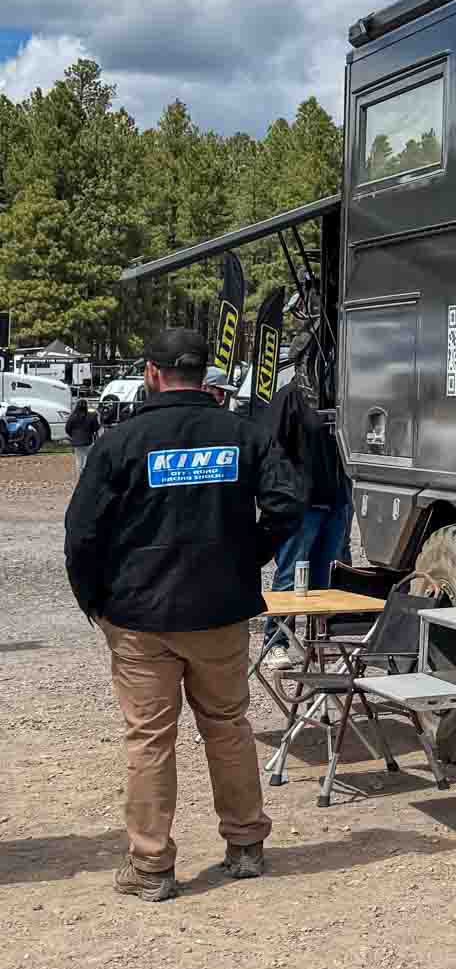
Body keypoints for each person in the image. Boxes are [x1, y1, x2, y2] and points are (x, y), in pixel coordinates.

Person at [63, 327, 302, 901]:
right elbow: (288, 504)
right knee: (228, 727)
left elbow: (81, 534)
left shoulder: (121, 442)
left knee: (149, 740)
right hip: (219, 610)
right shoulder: (241, 434)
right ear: (203, 375)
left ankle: (151, 868)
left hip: (140, 614)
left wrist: (94, 602)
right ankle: (245, 846)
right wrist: (247, 555)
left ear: (151, 372)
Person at [261, 354, 352, 668]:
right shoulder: (289, 397)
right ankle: (276, 642)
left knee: (324, 579)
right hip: (303, 507)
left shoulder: (345, 397)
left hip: (337, 501)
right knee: (289, 578)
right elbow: (272, 449)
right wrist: (286, 495)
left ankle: (318, 644)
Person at [65, 398, 100, 474]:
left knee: (78, 459)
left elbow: (67, 428)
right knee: (88, 457)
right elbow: (96, 428)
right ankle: (86, 472)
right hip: (88, 440)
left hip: (76, 441)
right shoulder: (92, 415)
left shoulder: (72, 416)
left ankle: (80, 474)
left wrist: (73, 435)